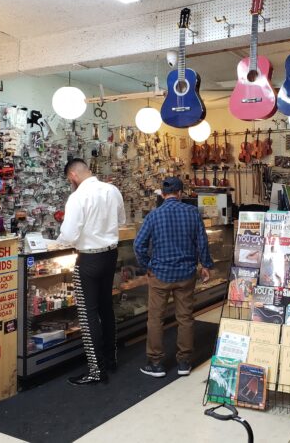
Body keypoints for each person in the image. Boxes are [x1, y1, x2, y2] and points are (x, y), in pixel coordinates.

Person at [134, 176, 213, 378]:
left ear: (162, 193)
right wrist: (205, 265)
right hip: (186, 274)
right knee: (185, 318)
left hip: (160, 274)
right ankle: (184, 362)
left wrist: (147, 266)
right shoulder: (192, 212)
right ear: (180, 193)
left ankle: (156, 363)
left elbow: (138, 246)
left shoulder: (154, 215)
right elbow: (201, 241)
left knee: (155, 319)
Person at [57, 158, 126, 386]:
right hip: (110, 255)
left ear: (73, 176)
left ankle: (97, 371)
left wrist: (57, 242)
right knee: (106, 308)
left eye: (69, 180)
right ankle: (111, 359)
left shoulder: (77, 197)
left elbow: (69, 234)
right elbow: (121, 221)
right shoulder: (112, 190)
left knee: (88, 315)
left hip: (89, 259)